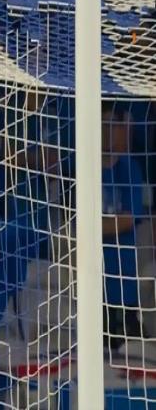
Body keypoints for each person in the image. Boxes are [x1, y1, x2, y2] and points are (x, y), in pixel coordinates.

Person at [101, 101, 145, 349]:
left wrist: (95, 227)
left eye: (112, 125)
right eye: (103, 124)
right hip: (94, 285)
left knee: (129, 351)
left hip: (125, 283)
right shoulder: (84, 168)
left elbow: (129, 219)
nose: (107, 131)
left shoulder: (130, 169)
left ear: (121, 128)